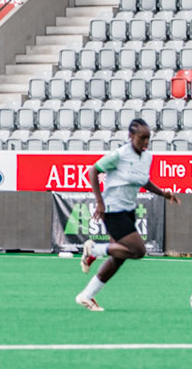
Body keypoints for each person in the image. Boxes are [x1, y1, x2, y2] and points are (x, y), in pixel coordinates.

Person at [75, 117, 181, 312]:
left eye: (148, 138)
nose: (146, 142)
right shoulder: (119, 155)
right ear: (131, 136)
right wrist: (99, 202)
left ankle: (86, 296)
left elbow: (143, 181)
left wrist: (163, 193)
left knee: (118, 257)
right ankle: (94, 251)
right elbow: (93, 171)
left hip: (129, 210)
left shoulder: (147, 157)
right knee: (138, 250)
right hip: (112, 209)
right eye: (142, 138)